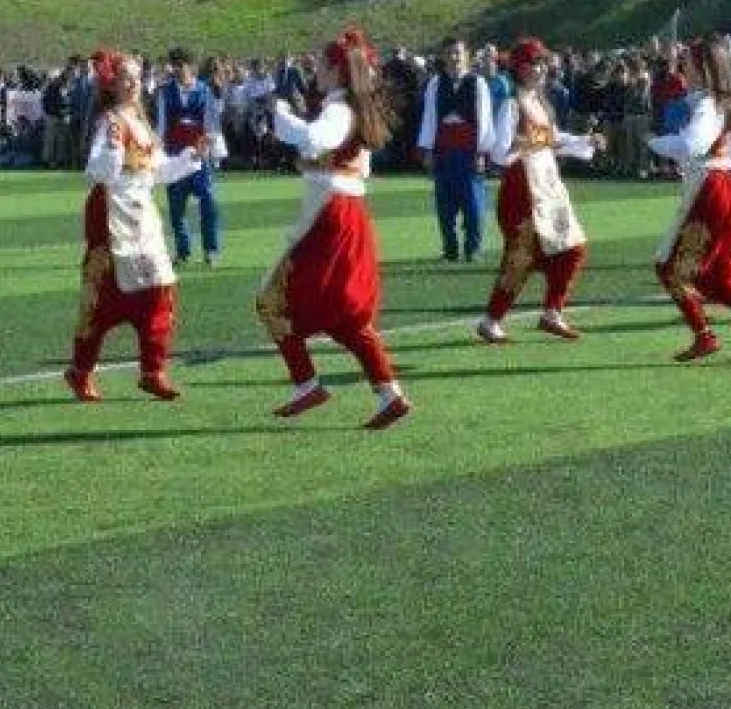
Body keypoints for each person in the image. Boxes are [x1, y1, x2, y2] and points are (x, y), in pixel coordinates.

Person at [256, 29, 411, 430]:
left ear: (336, 70)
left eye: (322, 65)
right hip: (349, 211)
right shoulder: (354, 108)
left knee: (271, 298)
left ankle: (306, 383)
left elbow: (312, 139)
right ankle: (387, 392)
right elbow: (340, 160)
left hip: (329, 212)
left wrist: (280, 114)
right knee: (346, 313)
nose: (316, 71)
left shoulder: (340, 109)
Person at [66, 50, 204, 403]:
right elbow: (97, 170)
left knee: (160, 288)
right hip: (113, 211)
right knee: (105, 296)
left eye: (137, 77)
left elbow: (158, 171)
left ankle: (153, 370)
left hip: (142, 214)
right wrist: (112, 153)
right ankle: (81, 369)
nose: (134, 84)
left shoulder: (140, 122)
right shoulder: (111, 122)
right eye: (126, 77)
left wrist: (192, 157)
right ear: (112, 84)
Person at [649, 39, 731, 365]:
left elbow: (692, 145)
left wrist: (655, 143)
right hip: (726, 188)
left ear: (703, 68)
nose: (684, 68)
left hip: (709, 190)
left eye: (689, 63)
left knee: (670, 267)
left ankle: (704, 335)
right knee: (728, 273)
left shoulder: (707, 104)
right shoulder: (723, 102)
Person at [475, 38, 602, 344]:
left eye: (543, 62)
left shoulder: (541, 102)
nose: (541, 68)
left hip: (547, 185)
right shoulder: (511, 104)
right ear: (520, 68)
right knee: (522, 255)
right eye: (535, 63)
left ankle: (552, 312)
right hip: (522, 187)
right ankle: (492, 320)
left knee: (573, 248)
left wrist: (586, 141)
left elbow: (554, 138)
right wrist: (535, 142)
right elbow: (499, 152)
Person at [416, 37, 493, 262]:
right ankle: (449, 248)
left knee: (473, 202)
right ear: (443, 56)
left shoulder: (477, 83)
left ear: (467, 56)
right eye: (449, 53)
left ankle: (473, 248)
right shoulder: (435, 83)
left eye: (458, 53)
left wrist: (481, 152)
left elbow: (485, 119)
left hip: (469, 148)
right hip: (444, 147)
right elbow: (430, 117)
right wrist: (428, 149)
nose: (454, 57)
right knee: (444, 202)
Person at [155, 48, 227, 266]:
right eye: (174, 65)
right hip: (175, 156)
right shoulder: (164, 92)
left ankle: (210, 250)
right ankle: (183, 251)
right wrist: (160, 152)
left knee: (209, 201)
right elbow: (161, 124)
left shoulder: (205, 91)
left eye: (181, 65)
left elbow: (211, 124)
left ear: (191, 67)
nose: (177, 69)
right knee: (176, 207)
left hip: (198, 156)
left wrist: (205, 147)